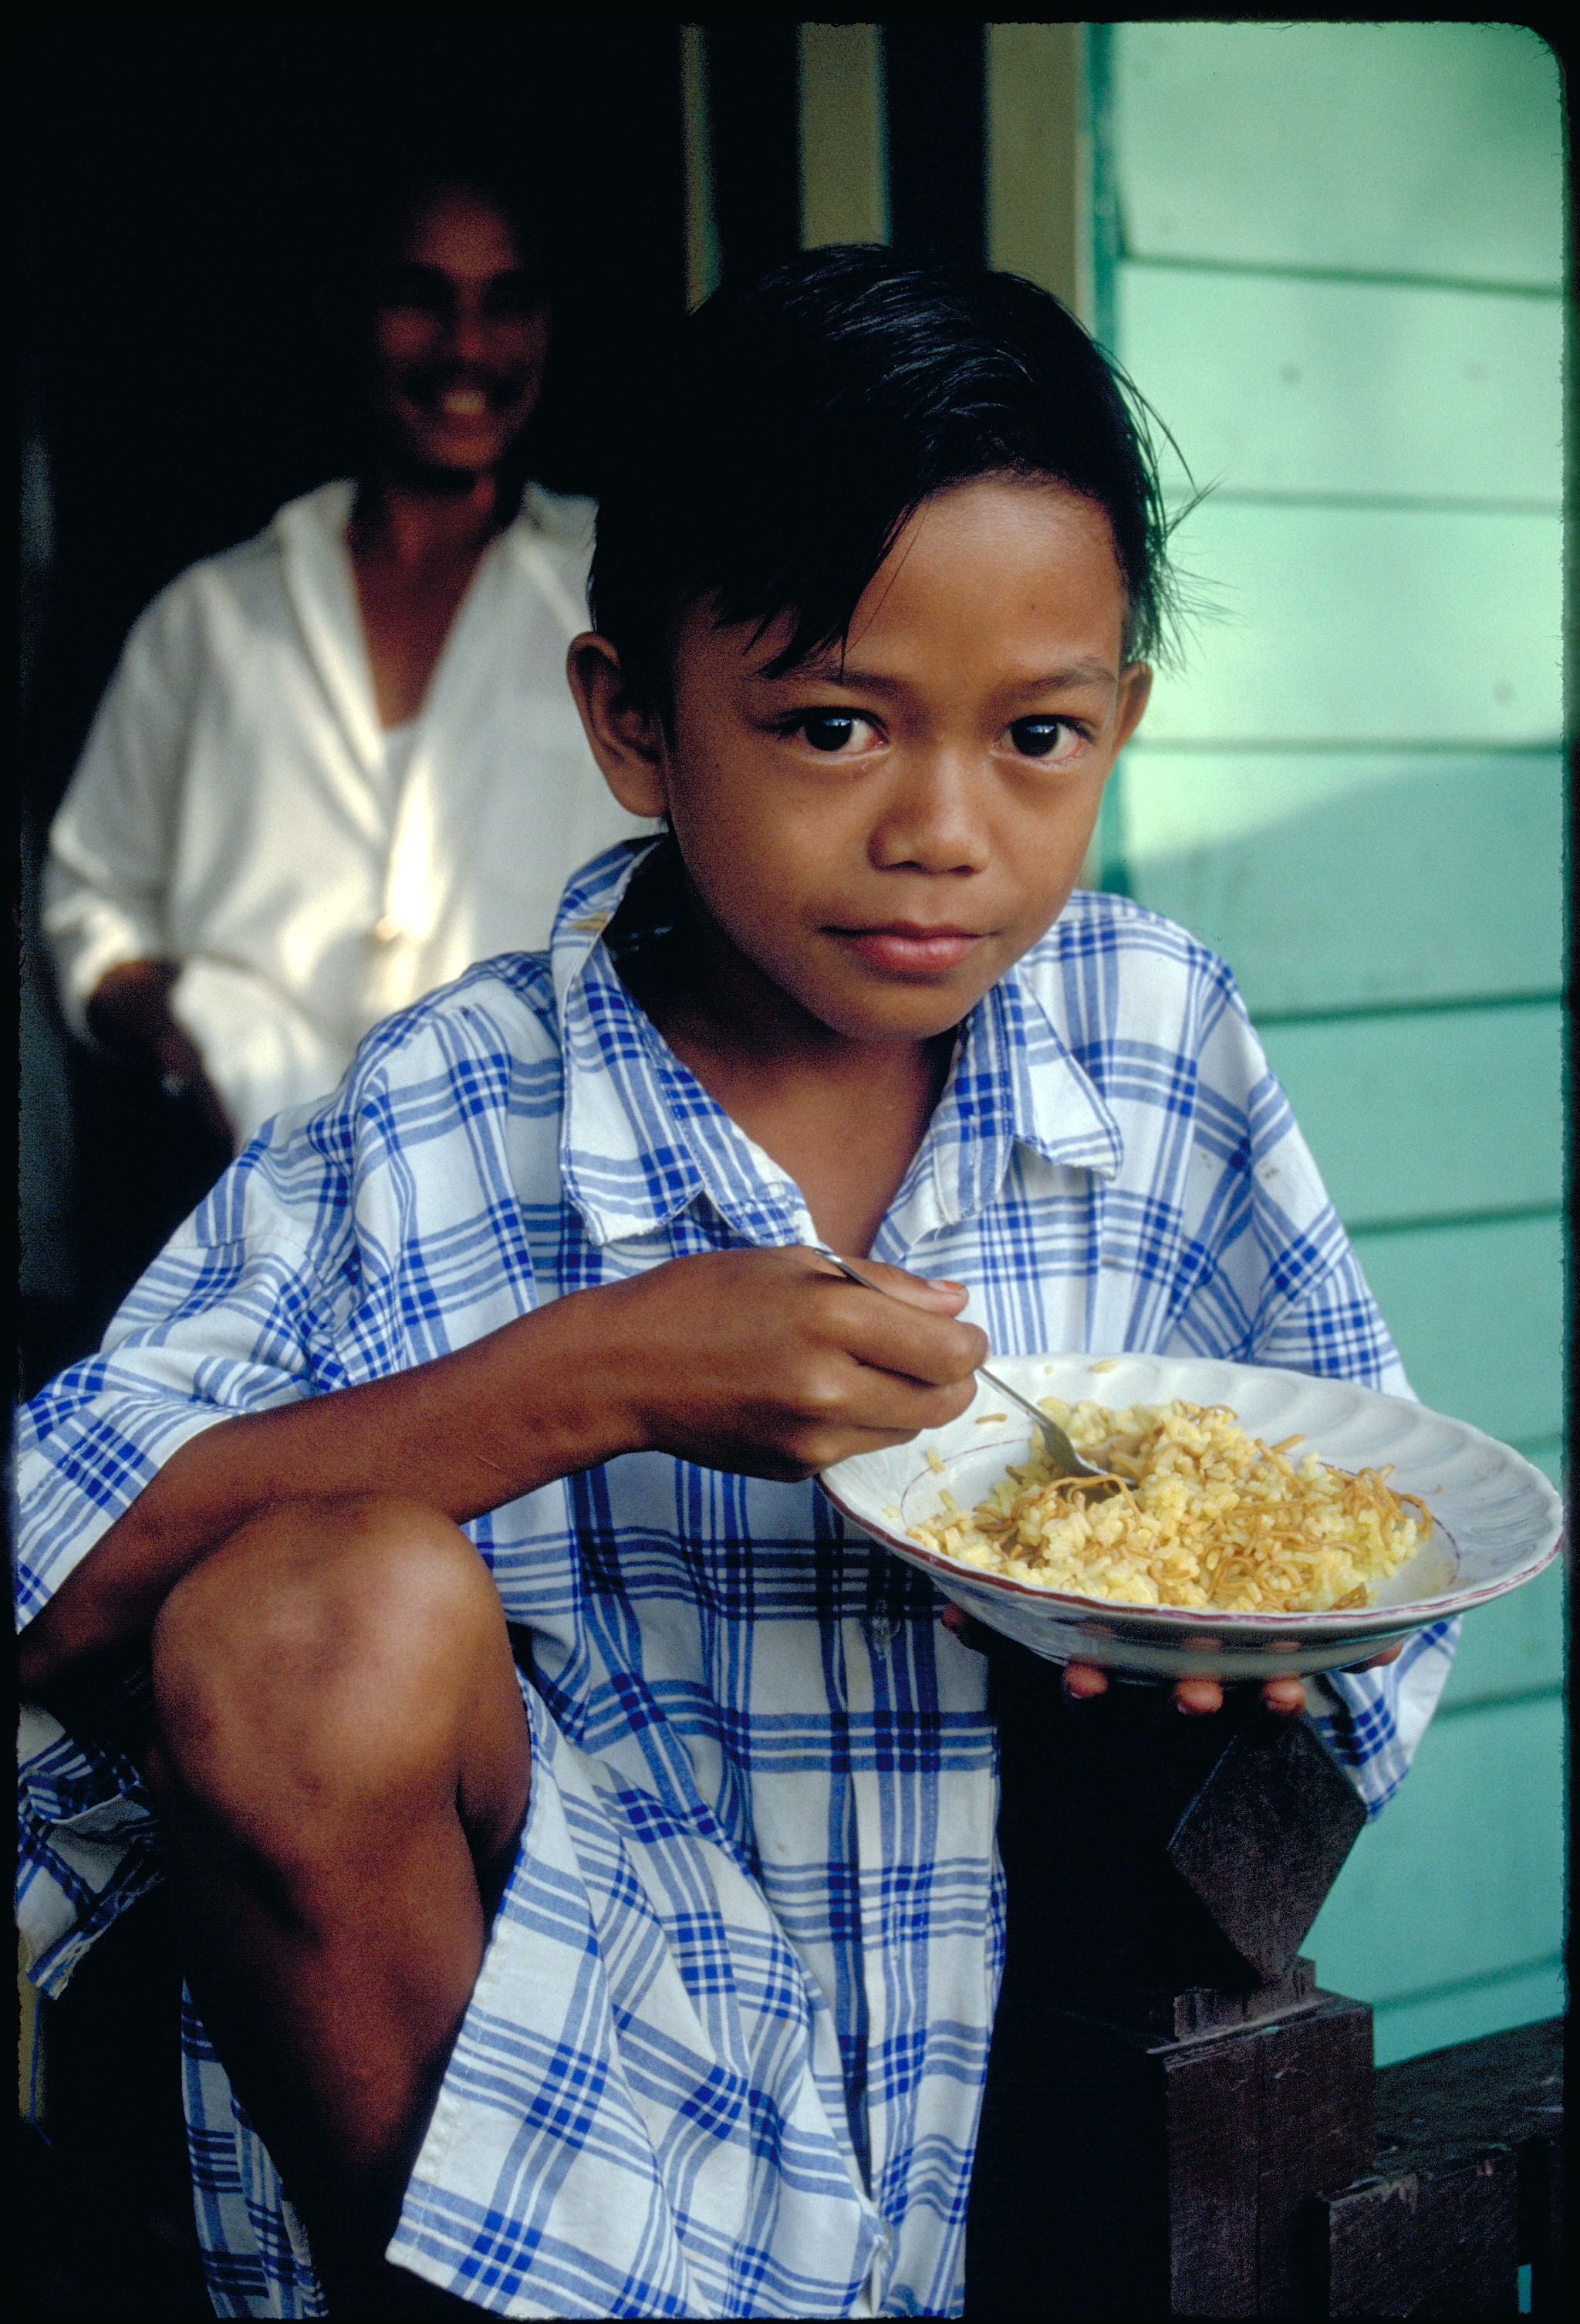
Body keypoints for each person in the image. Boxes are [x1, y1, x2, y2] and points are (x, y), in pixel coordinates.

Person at [15, 249, 1457, 2319]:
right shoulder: (456, 1110)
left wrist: (1256, 1662)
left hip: (1042, 2062)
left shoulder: (1149, 1043)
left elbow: (1351, 1519)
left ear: (1120, 721)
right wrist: (587, 1376)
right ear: (633, 722)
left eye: (1038, 734)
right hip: (516, 2069)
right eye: (834, 723)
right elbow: (50, 1574)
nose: (944, 831)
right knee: (309, 1613)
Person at [42, 165, 652, 1159]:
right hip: (257, 1193)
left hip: (555, 1193)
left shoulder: (623, 596)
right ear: (342, 312)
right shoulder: (212, 621)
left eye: (509, 301)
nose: (466, 347)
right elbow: (91, 901)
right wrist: (190, 1034)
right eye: (419, 298)